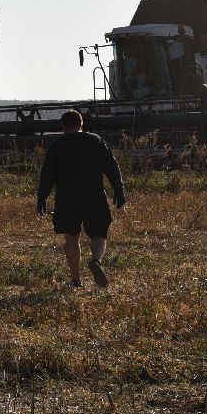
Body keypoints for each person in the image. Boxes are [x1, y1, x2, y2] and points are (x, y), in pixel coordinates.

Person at [36, 109, 126, 288]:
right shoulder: (95, 141)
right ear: (81, 123)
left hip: (66, 199)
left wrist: (41, 198)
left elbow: (47, 175)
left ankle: (76, 281)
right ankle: (96, 260)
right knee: (99, 234)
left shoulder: (56, 146)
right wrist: (119, 190)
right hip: (94, 196)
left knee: (71, 238)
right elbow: (112, 167)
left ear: (63, 126)